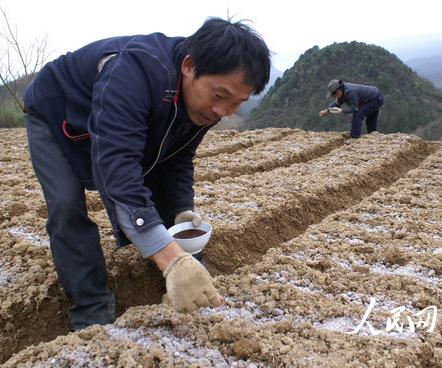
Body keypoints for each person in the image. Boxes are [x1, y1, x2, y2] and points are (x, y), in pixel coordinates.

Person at [23, 17, 271, 331]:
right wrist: (171, 259)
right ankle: (91, 309)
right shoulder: (134, 72)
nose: (223, 112)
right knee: (66, 206)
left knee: (156, 188)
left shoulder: (205, 102)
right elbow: (118, 167)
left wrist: (181, 210)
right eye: (220, 96)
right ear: (189, 66)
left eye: (237, 103)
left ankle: (177, 271)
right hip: (57, 112)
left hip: (113, 123)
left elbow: (177, 158)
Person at [319, 79, 384, 138]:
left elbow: (354, 108)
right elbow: (337, 103)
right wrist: (326, 111)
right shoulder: (343, 89)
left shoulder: (350, 92)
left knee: (358, 114)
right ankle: (372, 135)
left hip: (375, 99)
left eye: (333, 95)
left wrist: (341, 111)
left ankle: (355, 136)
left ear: (338, 91)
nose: (334, 96)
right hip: (375, 97)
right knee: (370, 120)